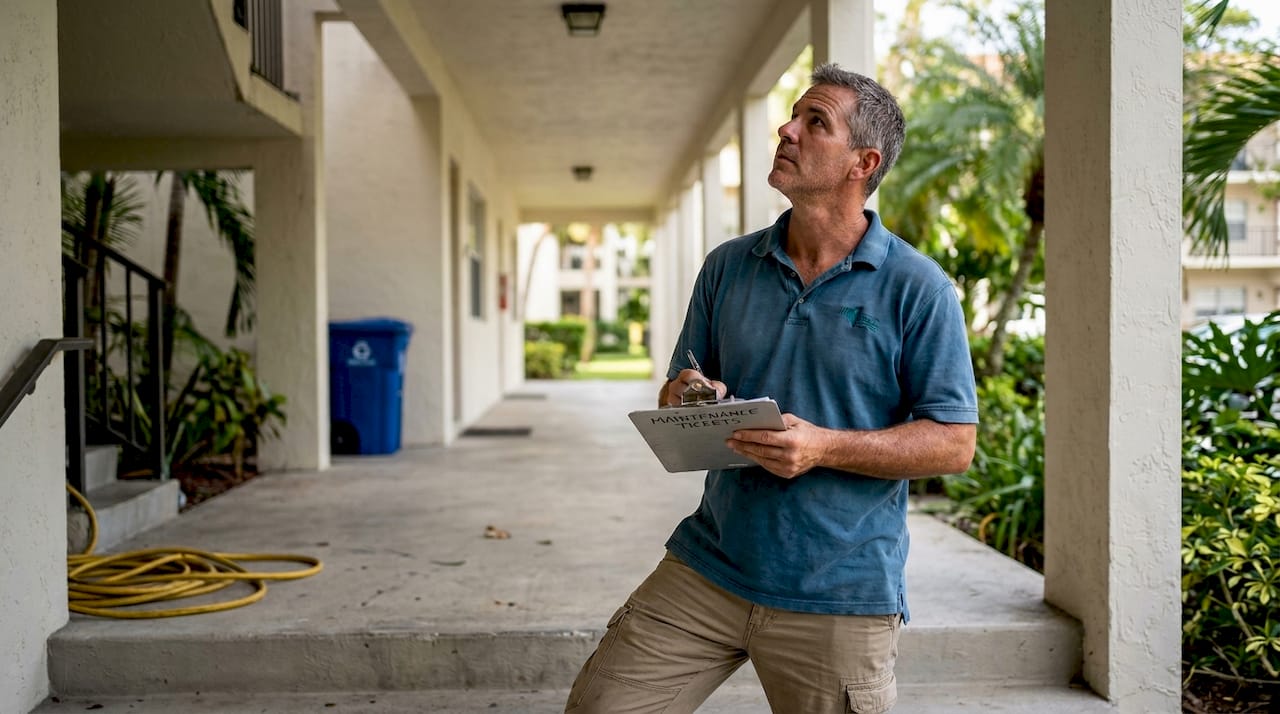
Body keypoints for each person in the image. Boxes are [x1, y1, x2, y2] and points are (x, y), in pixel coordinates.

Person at [564, 63, 979, 714]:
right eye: (792, 115)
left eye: (816, 123)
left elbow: (953, 444)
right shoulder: (728, 266)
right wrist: (687, 396)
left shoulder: (917, 288)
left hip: (839, 590)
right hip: (711, 564)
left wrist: (823, 447)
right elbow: (682, 384)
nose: (787, 130)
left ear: (861, 163)